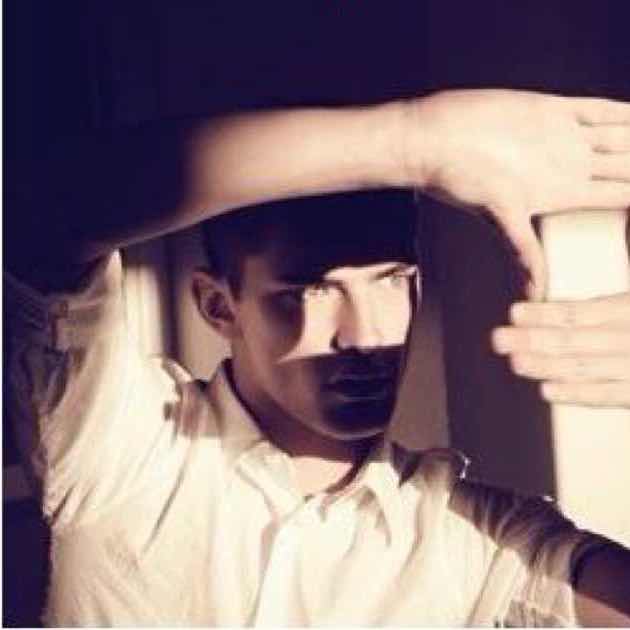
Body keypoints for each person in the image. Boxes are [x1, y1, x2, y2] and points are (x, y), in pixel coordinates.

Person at [5, 90, 630, 626]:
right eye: (312, 291)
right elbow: (36, 215)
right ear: (219, 306)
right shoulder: (126, 445)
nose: (366, 335)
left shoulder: (473, 541)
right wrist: (416, 139)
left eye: (392, 280)